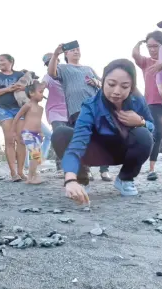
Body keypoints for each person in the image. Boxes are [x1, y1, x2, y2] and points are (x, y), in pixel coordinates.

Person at [52, 59, 154, 204]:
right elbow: (78, 141)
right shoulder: (90, 106)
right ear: (103, 81)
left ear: (131, 87)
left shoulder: (138, 101)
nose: (117, 91)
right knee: (61, 133)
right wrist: (70, 178)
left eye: (124, 86)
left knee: (144, 134)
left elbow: (152, 127)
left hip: (121, 152)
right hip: (92, 153)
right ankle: (82, 180)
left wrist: (141, 122)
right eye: (111, 84)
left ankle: (125, 178)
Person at [48, 43, 112, 181]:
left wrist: (96, 82)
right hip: (76, 110)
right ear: (66, 54)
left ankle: (104, 170)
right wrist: (55, 54)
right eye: (72, 50)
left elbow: (104, 85)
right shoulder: (63, 68)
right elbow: (51, 73)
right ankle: (86, 170)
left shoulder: (88, 68)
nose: (76, 52)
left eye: (77, 49)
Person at [0, 54, 26, 182]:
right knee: (9, 140)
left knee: (21, 140)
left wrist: (22, 87)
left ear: (11, 61)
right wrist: (9, 88)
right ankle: (13, 173)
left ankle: (21, 171)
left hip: (20, 108)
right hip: (5, 110)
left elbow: (29, 87)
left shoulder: (20, 74)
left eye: (2, 60)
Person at [132, 31, 162, 180]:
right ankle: (151, 169)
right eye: (149, 46)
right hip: (152, 103)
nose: (152, 50)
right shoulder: (146, 62)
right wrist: (139, 43)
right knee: (157, 133)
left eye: (155, 46)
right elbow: (135, 55)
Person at [12, 81, 46, 184]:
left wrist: (41, 132)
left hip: (36, 135)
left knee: (36, 156)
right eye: (40, 92)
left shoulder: (41, 108)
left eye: (43, 92)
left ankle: (31, 176)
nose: (42, 94)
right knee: (34, 154)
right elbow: (17, 117)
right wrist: (14, 132)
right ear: (31, 93)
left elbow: (38, 121)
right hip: (27, 133)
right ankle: (32, 176)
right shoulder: (28, 105)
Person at [42, 53, 68, 175]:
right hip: (54, 111)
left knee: (72, 138)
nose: (50, 64)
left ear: (58, 60)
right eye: (48, 63)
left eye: (52, 61)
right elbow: (42, 86)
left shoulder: (68, 73)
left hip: (70, 110)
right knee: (59, 136)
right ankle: (61, 166)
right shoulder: (47, 77)